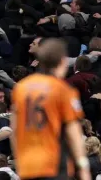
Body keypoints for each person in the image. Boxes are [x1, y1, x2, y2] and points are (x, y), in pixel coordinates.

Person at [11, 38, 90, 180]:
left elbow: (14, 129)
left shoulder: (21, 88)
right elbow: (73, 132)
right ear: (62, 61)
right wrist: (83, 166)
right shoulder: (63, 90)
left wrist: (20, 160)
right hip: (54, 164)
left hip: (28, 165)